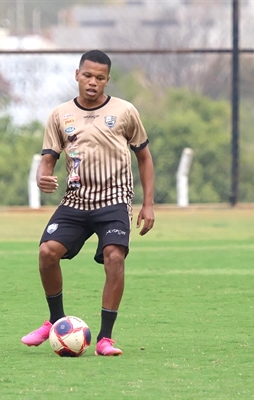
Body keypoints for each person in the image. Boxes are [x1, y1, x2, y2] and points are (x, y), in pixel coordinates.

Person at [21, 50, 155, 356]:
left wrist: (148, 204)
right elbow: (48, 160)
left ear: (107, 80)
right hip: (76, 201)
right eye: (87, 75)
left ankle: (105, 339)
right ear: (77, 75)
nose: (92, 82)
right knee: (47, 252)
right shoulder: (60, 115)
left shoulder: (125, 111)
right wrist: (44, 176)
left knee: (114, 257)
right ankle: (56, 323)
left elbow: (144, 158)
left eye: (100, 77)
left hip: (114, 200)